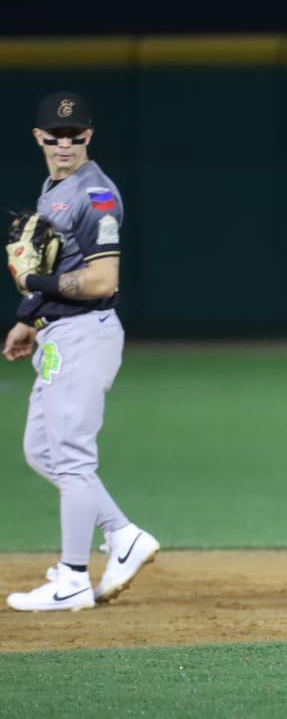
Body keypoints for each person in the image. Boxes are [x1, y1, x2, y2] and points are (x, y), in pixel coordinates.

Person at [4, 91, 159, 612]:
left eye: (75, 136)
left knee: (70, 457)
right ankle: (123, 534)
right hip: (57, 335)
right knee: (42, 451)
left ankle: (72, 578)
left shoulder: (96, 196)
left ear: (89, 137)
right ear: (38, 139)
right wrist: (28, 319)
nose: (64, 143)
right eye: (55, 136)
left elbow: (101, 279)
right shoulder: (55, 188)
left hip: (84, 333)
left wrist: (33, 279)